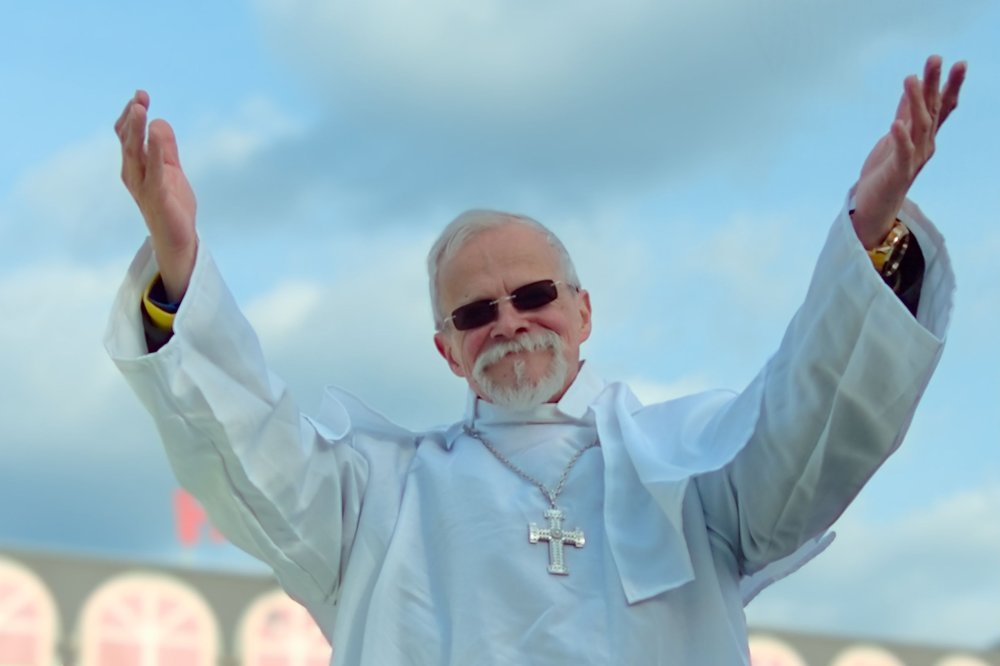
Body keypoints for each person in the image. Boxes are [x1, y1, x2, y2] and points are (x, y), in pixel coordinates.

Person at [106, 56, 965, 665]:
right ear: (447, 351)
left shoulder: (691, 474)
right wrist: (180, 265)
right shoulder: (376, 499)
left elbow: (813, 423)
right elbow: (246, 452)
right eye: (476, 313)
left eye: (534, 295)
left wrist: (870, 234)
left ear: (583, 312)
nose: (510, 323)